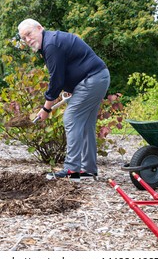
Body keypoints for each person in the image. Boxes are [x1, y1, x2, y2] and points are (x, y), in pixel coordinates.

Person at [17, 18, 110, 182]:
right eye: (24, 38)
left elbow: (56, 80)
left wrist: (46, 109)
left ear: (40, 28)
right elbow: (68, 69)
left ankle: (71, 170)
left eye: (29, 34)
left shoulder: (51, 44)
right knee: (86, 124)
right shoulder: (51, 42)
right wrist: (72, 90)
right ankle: (88, 170)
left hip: (92, 79)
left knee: (71, 118)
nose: (28, 40)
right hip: (97, 78)